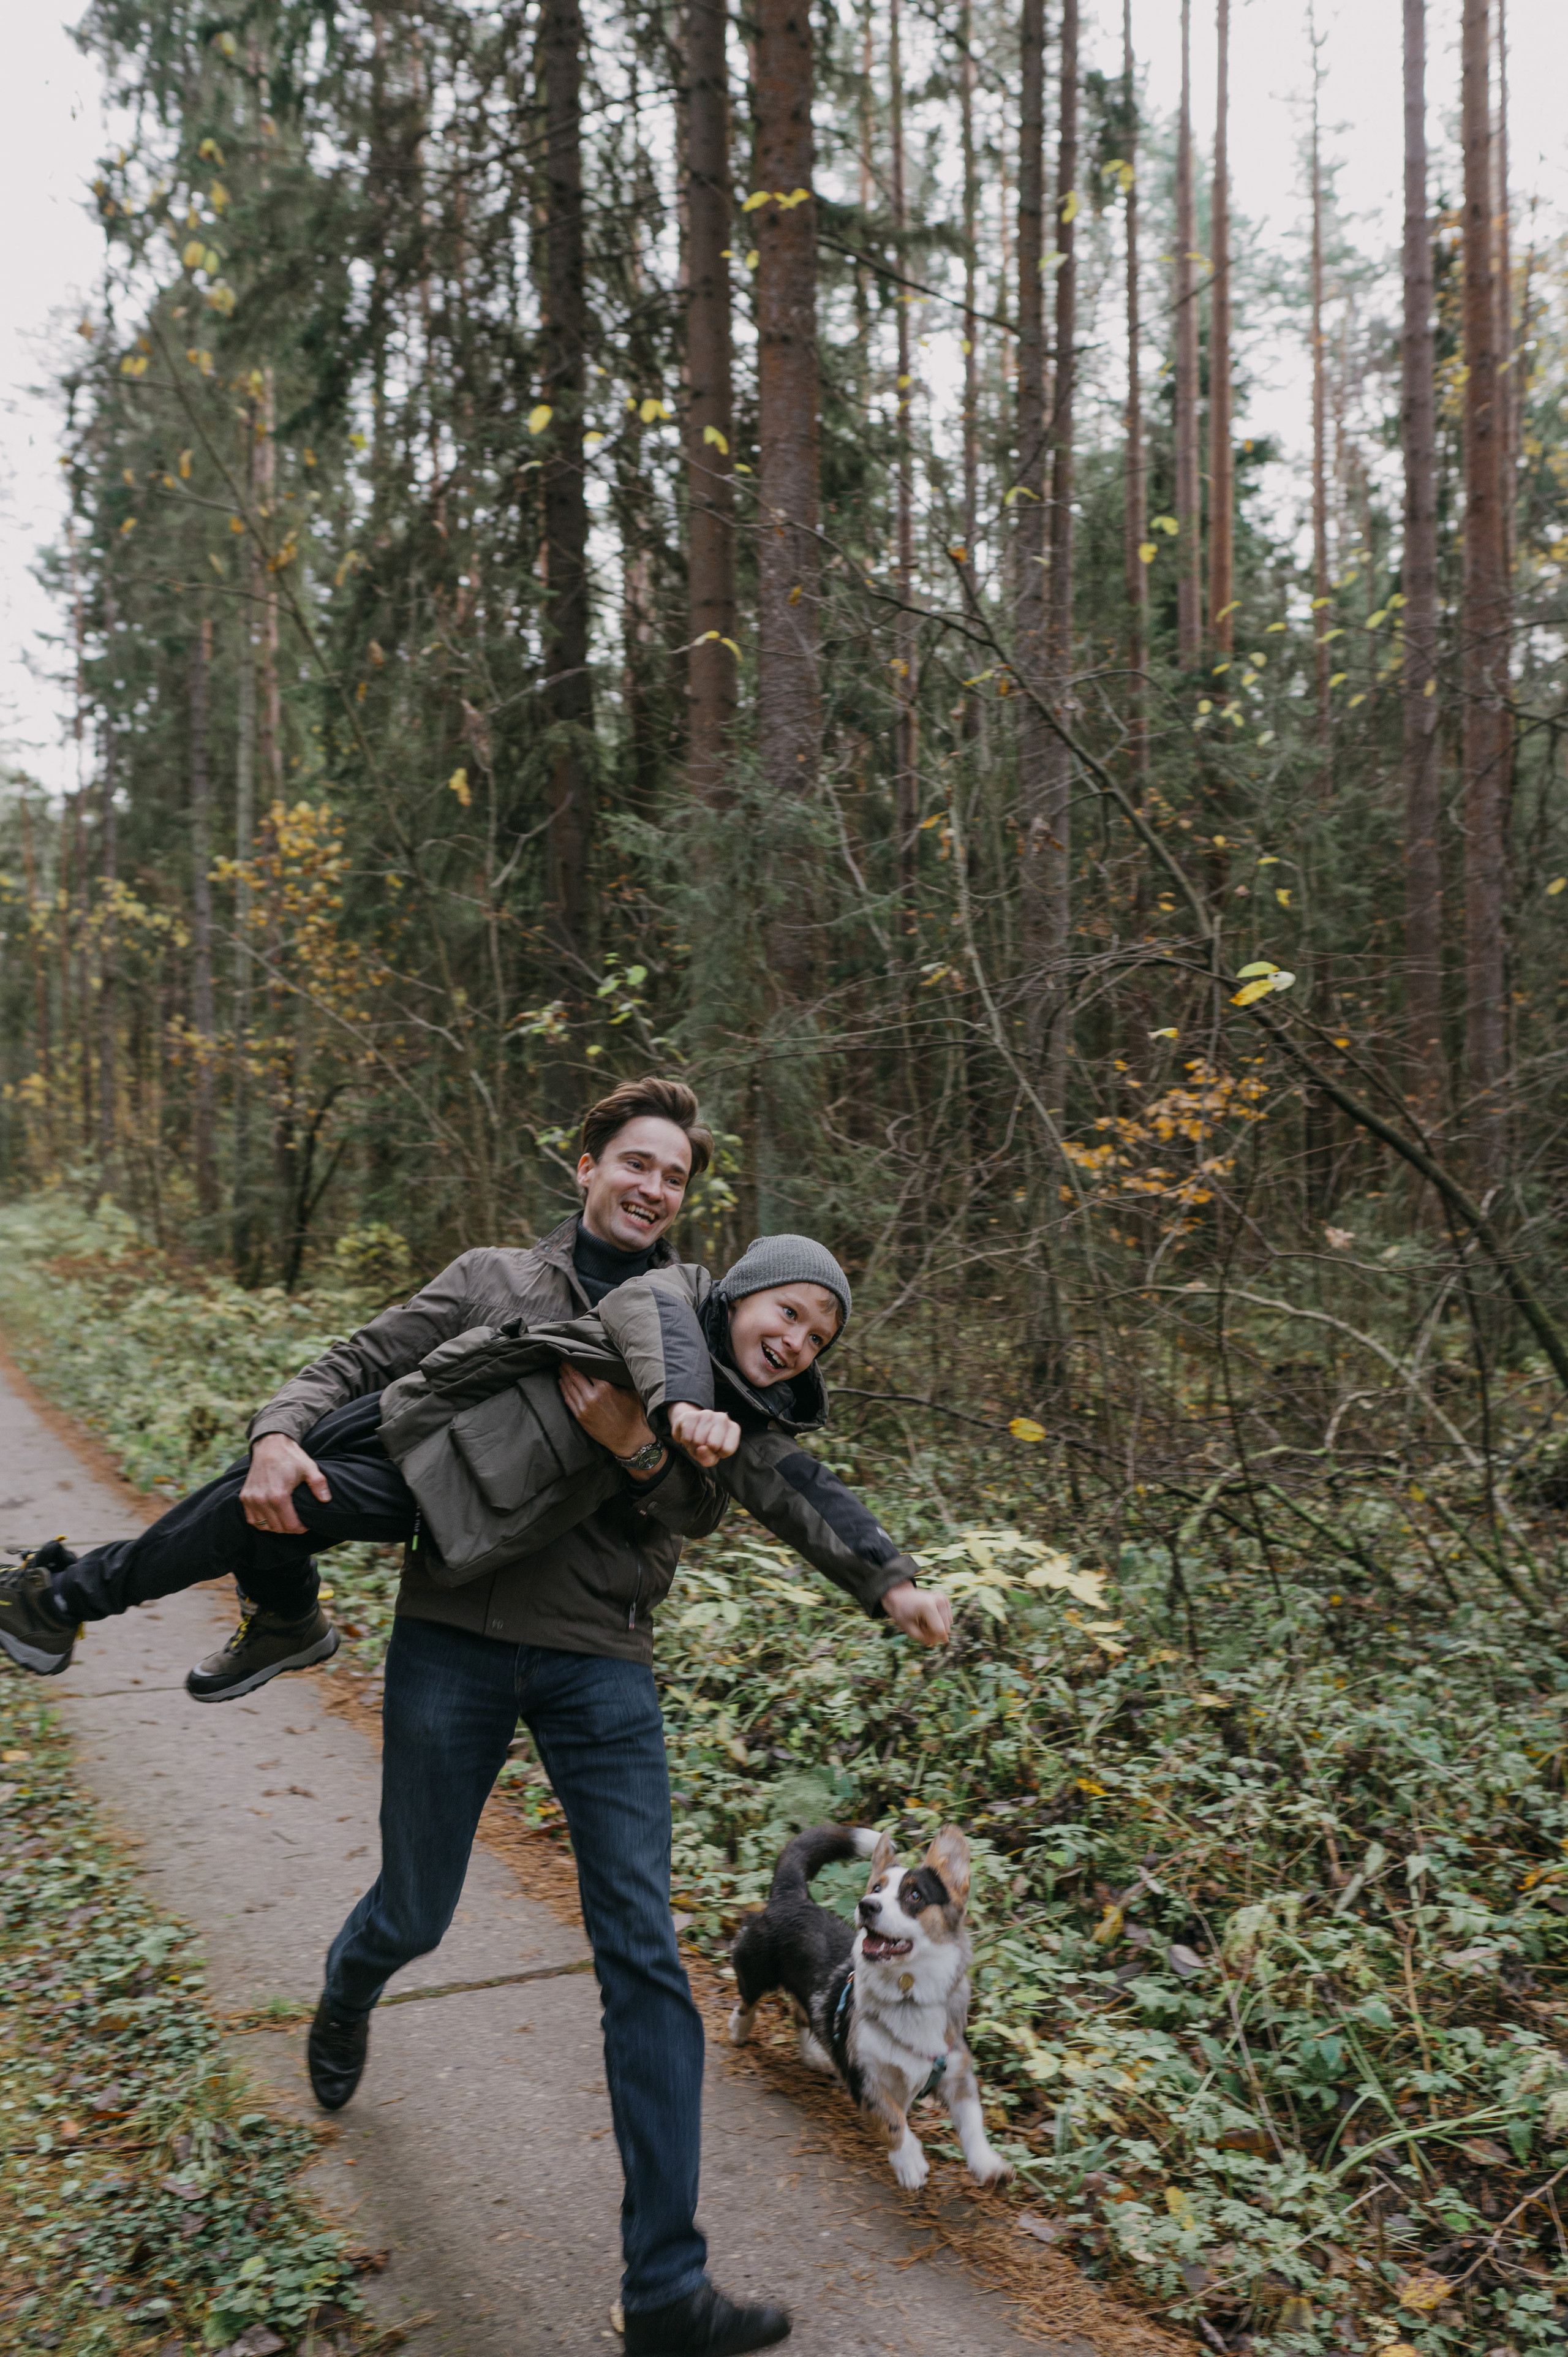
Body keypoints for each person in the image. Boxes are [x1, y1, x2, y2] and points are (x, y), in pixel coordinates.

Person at [0, 1078, 951, 2357]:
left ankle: (664, 2286)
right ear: (588, 1167)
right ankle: (345, 1987)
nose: (652, 1187)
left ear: (690, 1207)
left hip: (597, 1669)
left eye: (675, 1175)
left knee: (643, 1965)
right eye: (636, 1162)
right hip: (451, 1641)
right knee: (416, 1907)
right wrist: (280, 1429)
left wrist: (890, 1582)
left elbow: (806, 1497)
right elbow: (355, 1365)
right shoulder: (500, 1279)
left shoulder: (722, 1384)